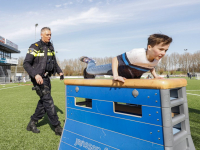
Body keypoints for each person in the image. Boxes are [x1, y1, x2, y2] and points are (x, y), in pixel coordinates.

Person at [80, 34, 172, 82]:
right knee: (90, 71)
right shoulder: (137, 54)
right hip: (116, 69)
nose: (163, 53)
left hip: (130, 76)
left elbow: (151, 65)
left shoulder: (158, 58)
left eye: (165, 50)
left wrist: (155, 76)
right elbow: (115, 59)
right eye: (161, 49)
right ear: (149, 47)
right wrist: (115, 76)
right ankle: (91, 61)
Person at [23, 27, 64, 136]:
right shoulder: (34, 46)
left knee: (44, 102)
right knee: (48, 100)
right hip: (38, 78)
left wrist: (60, 72)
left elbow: (54, 62)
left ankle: (32, 123)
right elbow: (26, 63)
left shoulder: (50, 46)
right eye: (47, 35)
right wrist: (35, 75)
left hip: (46, 78)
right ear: (41, 35)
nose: (49, 37)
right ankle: (57, 127)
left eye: (50, 35)